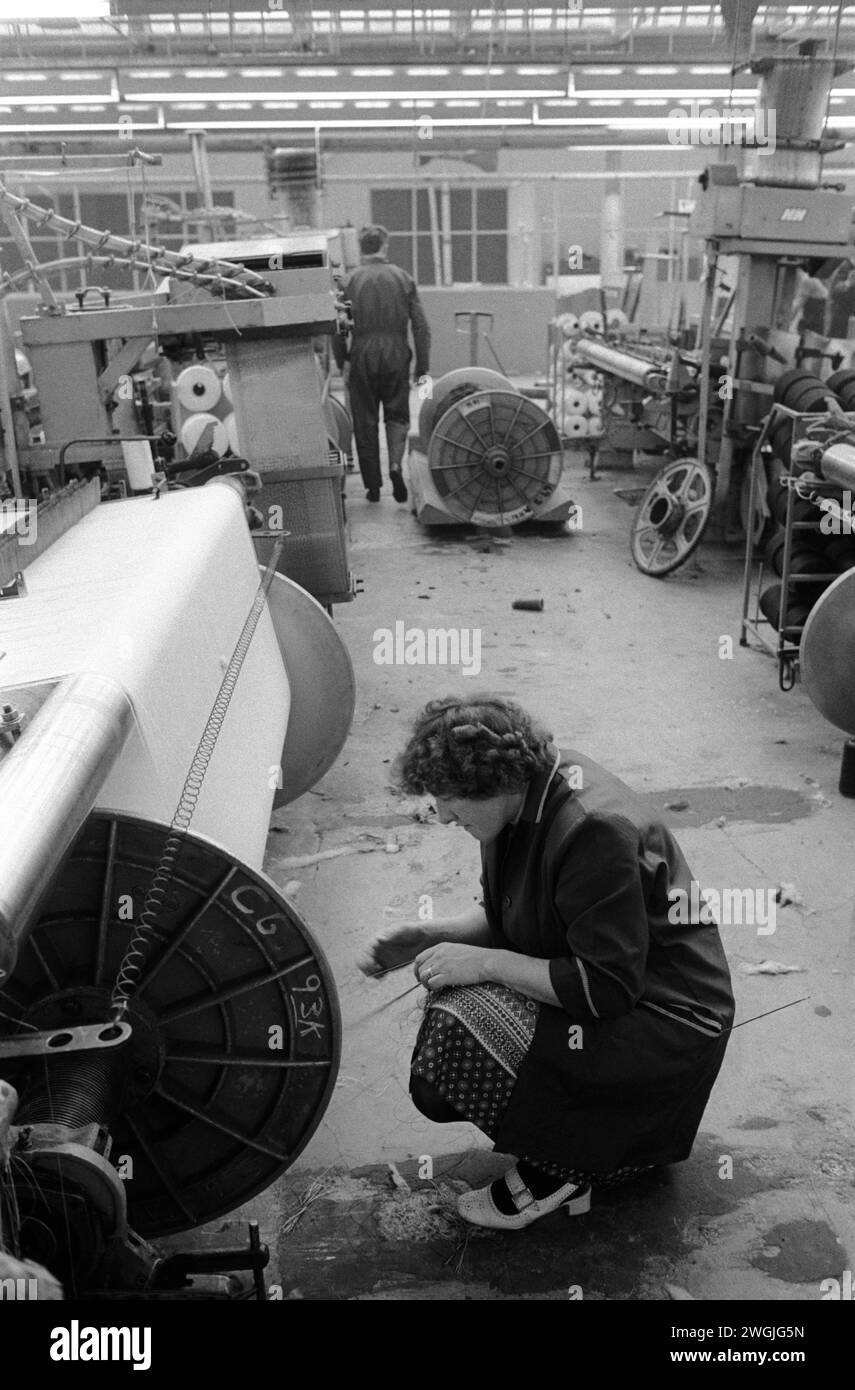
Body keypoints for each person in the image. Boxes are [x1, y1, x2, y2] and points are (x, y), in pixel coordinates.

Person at [358, 696, 735, 1231]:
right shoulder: (517, 804)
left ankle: (565, 1168)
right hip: (620, 994)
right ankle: (576, 1142)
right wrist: (429, 935)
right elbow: (522, 915)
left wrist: (486, 963)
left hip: (669, 1024)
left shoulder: (592, 828)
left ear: (495, 783)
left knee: (465, 1019)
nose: (442, 815)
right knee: (455, 988)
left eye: (449, 799)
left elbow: (604, 987)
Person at [334, 225, 431, 504]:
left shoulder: (348, 281)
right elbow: (422, 326)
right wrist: (422, 366)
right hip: (396, 351)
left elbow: (338, 328)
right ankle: (395, 466)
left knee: (365, 422)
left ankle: (373, 486)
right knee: (397, 415)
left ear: (361, 248)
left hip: (362, 351)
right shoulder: (403, 278)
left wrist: (343, 361)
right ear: (383, 247)